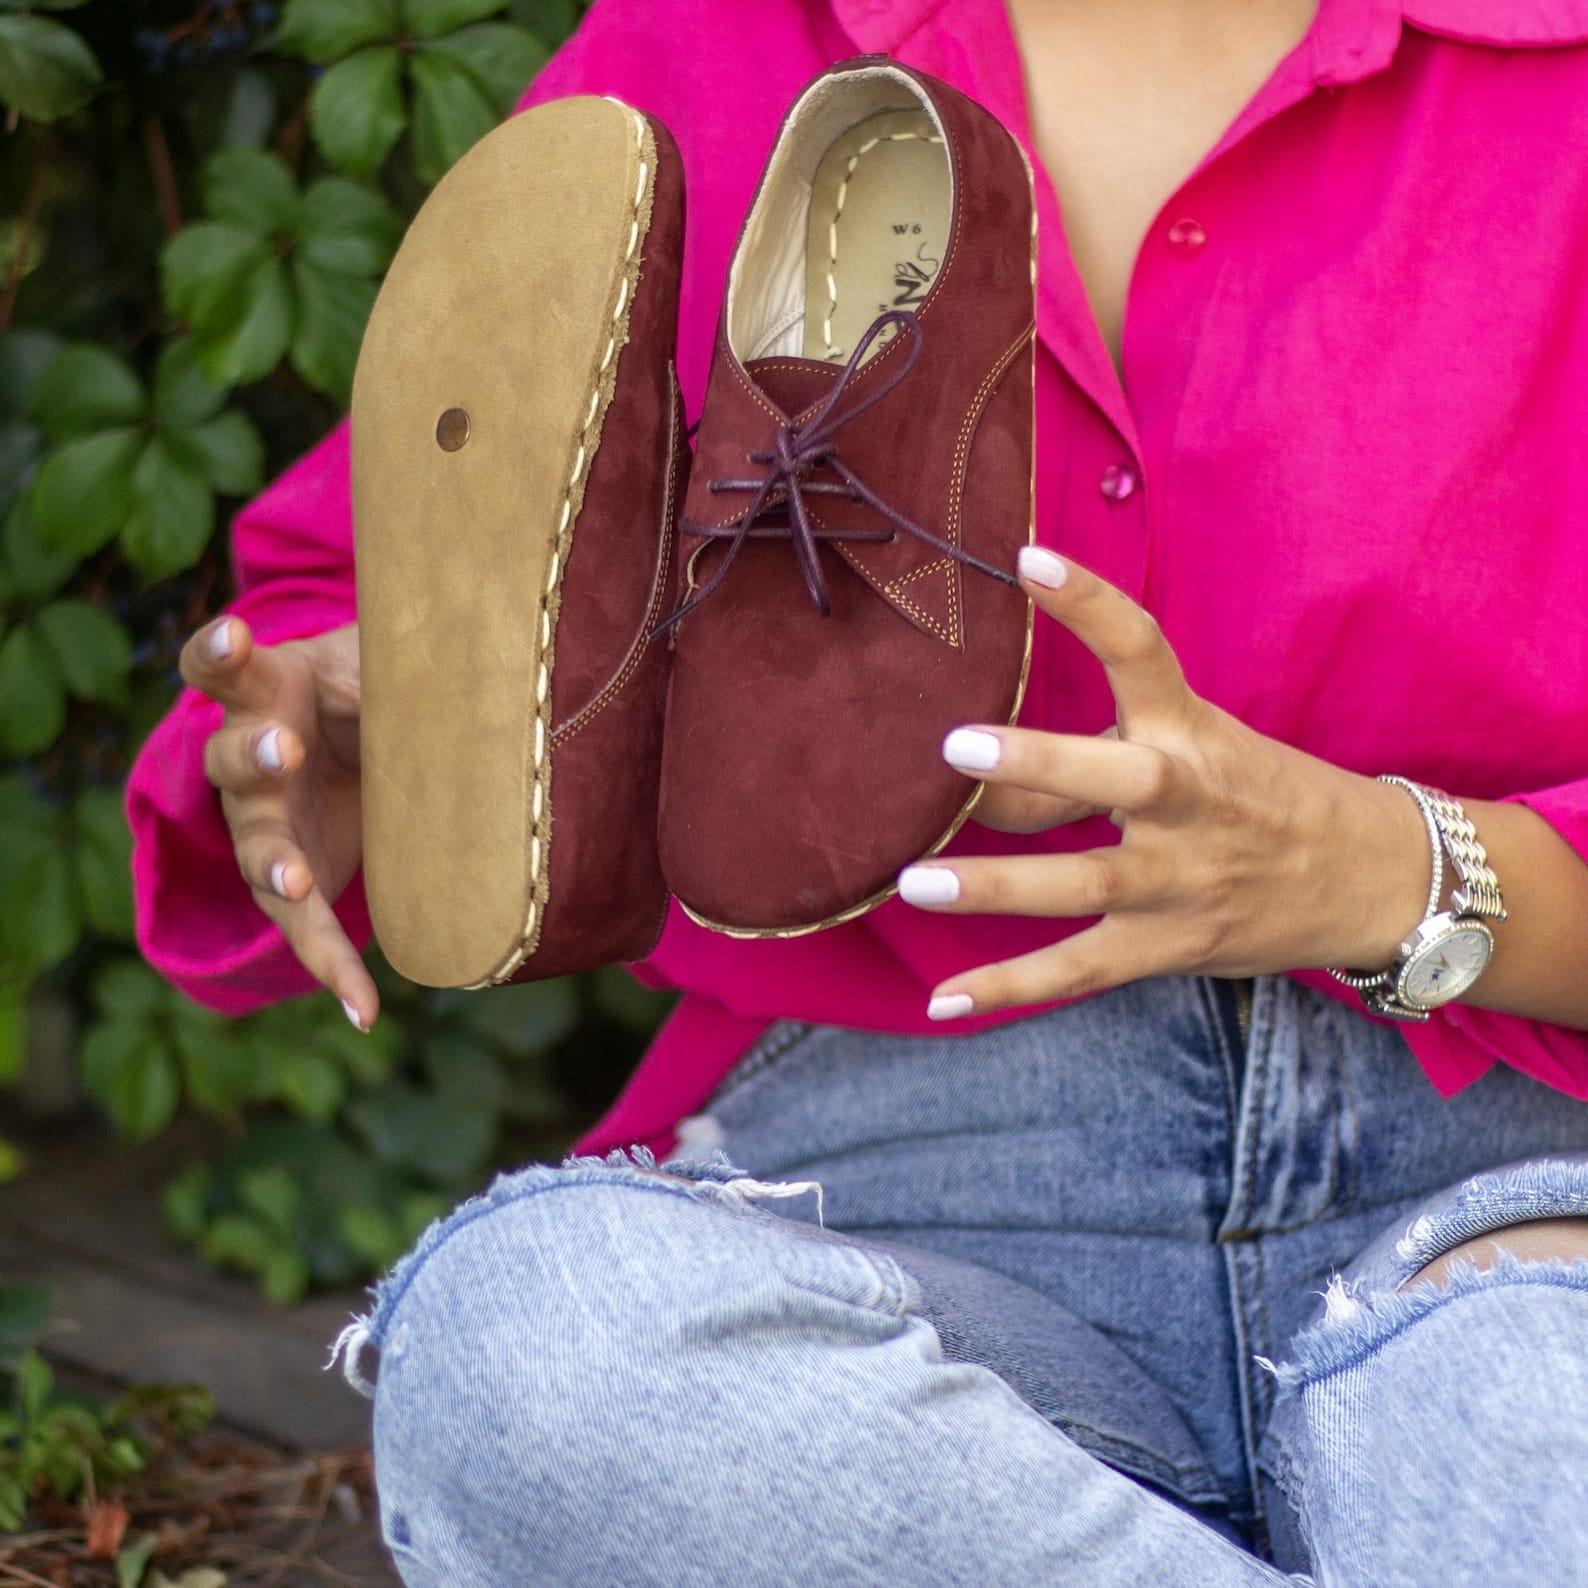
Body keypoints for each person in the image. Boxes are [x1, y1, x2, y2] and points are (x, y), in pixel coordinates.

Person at [130, 0, 1588, 1580]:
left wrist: (1402, 873)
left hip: (1516, 1210)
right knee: (536, 1350)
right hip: (894, 1219)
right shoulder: (720, 39)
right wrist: (360, 743)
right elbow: (376, 577)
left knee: (1520, 1423)